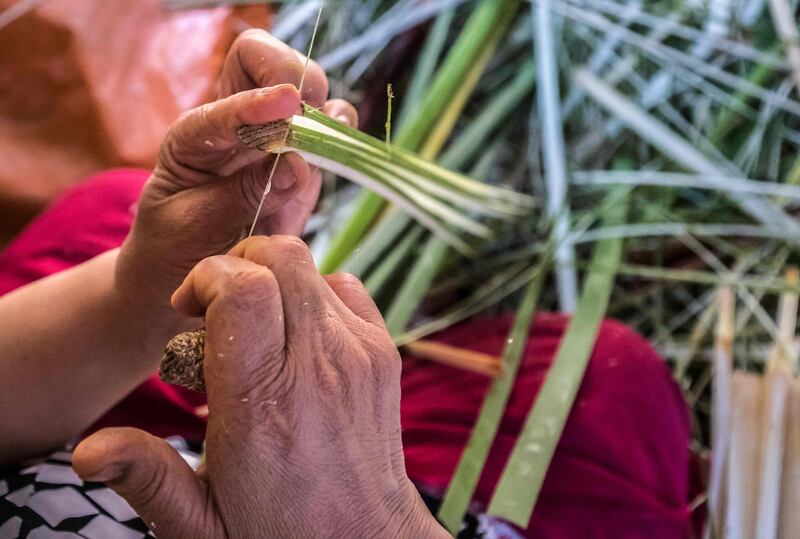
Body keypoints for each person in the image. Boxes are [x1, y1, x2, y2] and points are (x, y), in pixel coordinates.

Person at [0, 30, 694, 538]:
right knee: (605, 386)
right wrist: (372, 521)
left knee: (112, 207)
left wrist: (134, 300)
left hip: (72, 401)